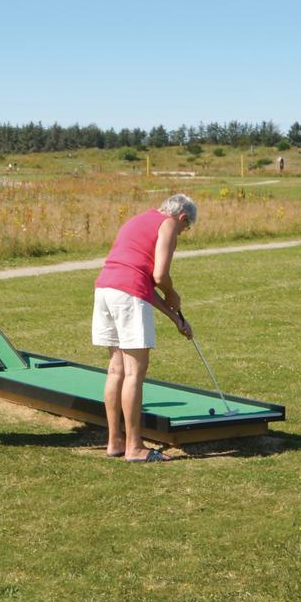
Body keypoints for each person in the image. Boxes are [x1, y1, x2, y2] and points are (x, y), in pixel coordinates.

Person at [91, 194, 197, 463]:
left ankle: (115, 442)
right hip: (127, 294)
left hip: (105, 290)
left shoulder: (139, 220)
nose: (181, 233)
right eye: (186, 228)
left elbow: (144, 287)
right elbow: (159, 276)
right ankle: (134, 447)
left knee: (116, 370)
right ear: (183, 217)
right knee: (134, 374)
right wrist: (172, 293)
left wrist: (175, 318)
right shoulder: (169, 223)